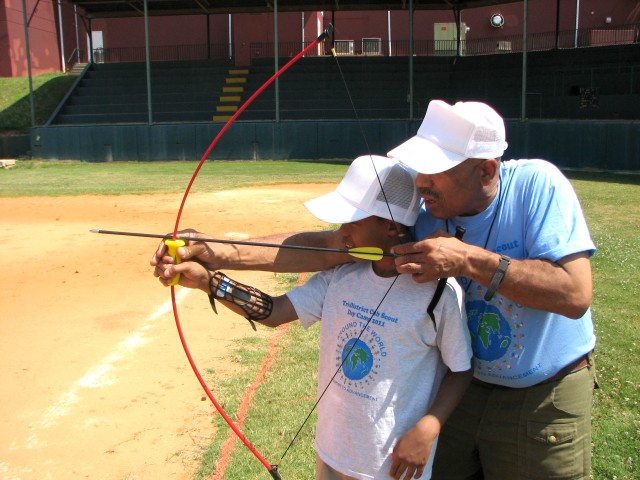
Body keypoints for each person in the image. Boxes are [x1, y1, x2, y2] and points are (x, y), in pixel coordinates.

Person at [152, 99, 597, 479]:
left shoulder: (538, 185)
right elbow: (324, 248)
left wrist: (466, 260)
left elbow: (574, 295)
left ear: (484, 169)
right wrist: (212, 253)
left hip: (541, 393)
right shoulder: (416, 211)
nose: (422, 182)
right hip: (461, 393)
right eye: (420, 168)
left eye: (436, 171)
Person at [157, 155, 473, 480]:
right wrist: (206, 281)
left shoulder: (438, 293)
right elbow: (273, 311)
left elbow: (460, 368)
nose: (342, 232)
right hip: (332, 452)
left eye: (353, 222)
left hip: (395, 465)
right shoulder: (343, 275)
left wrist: (429, 426)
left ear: (391, 226)